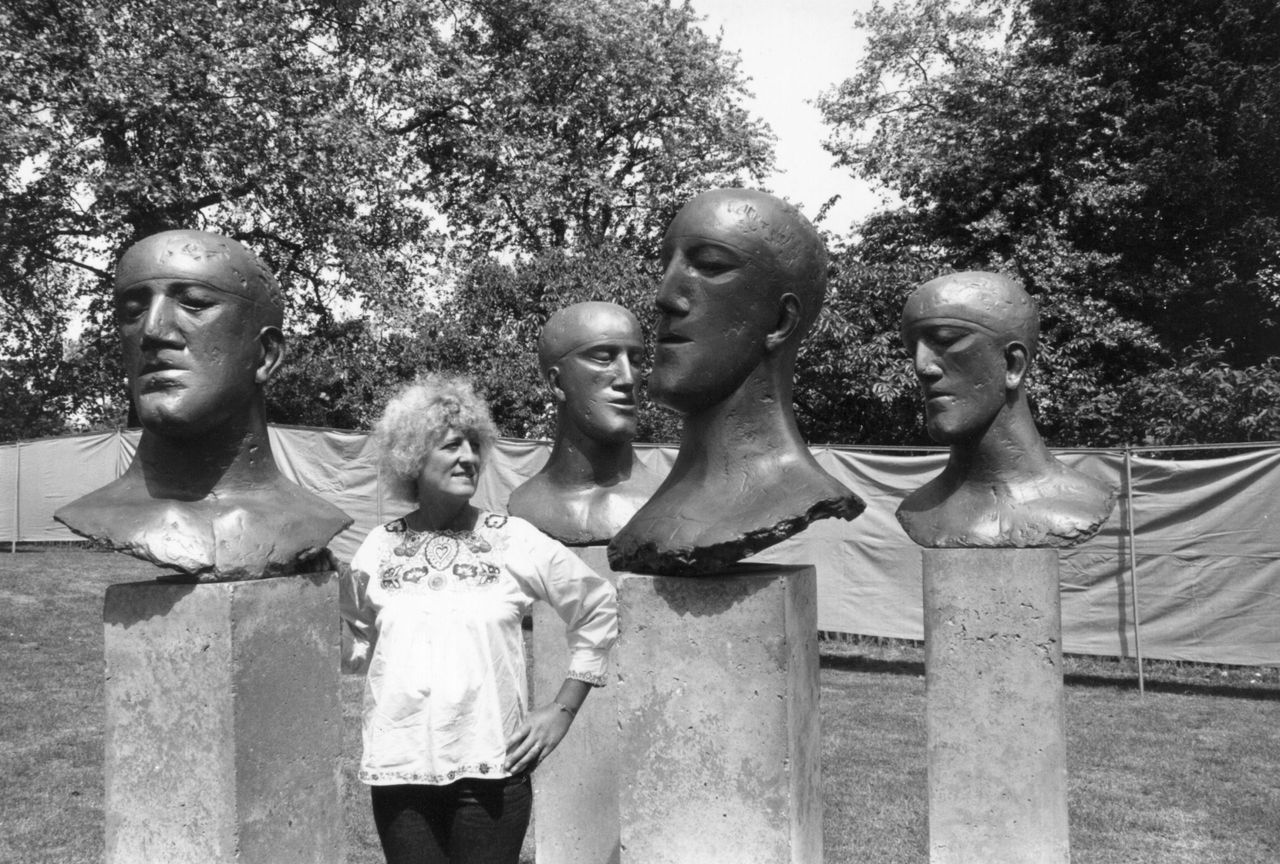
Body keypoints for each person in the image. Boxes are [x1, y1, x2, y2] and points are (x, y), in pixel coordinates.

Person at [341, 373, 617, 864]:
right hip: (399, 777)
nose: (468, 457)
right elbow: (360, 633)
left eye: (474, 445)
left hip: (493, 772)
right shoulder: (376, 550)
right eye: (451, 445)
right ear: (413, 455)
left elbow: (595, 604)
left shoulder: (513, 539)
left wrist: (563, 709)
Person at [54, 229, 350, 579]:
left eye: (194, 303)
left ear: (265, 355)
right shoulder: (98, 513)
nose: (152, 330)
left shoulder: (310, 520)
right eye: (133, 311)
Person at [608, 188, 864, 575]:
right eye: (666, 266)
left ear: (781, 322)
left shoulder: (795, 495)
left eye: (710, 265)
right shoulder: (650, 519)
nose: (663, 296)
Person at [895, 270, 1116, 547]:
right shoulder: (920, 512)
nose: (922, 367)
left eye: (946, 339)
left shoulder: (1083, 504)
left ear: (1013, 365)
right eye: (912, 349)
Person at [507, 301, 663, 545]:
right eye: (603, 358)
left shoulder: (664, 502)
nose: (627, 378)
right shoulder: (523, 509)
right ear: (557, 384)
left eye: (635, 360)